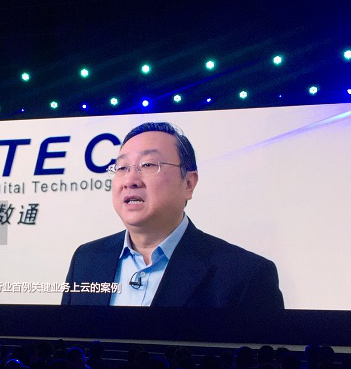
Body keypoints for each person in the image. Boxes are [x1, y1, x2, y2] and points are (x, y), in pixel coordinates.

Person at [61, 122, 283, 310]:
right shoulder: (86, 260)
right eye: (121, 168)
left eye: (148, 165)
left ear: (188, 183)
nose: (130, 180)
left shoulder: (245, 275)